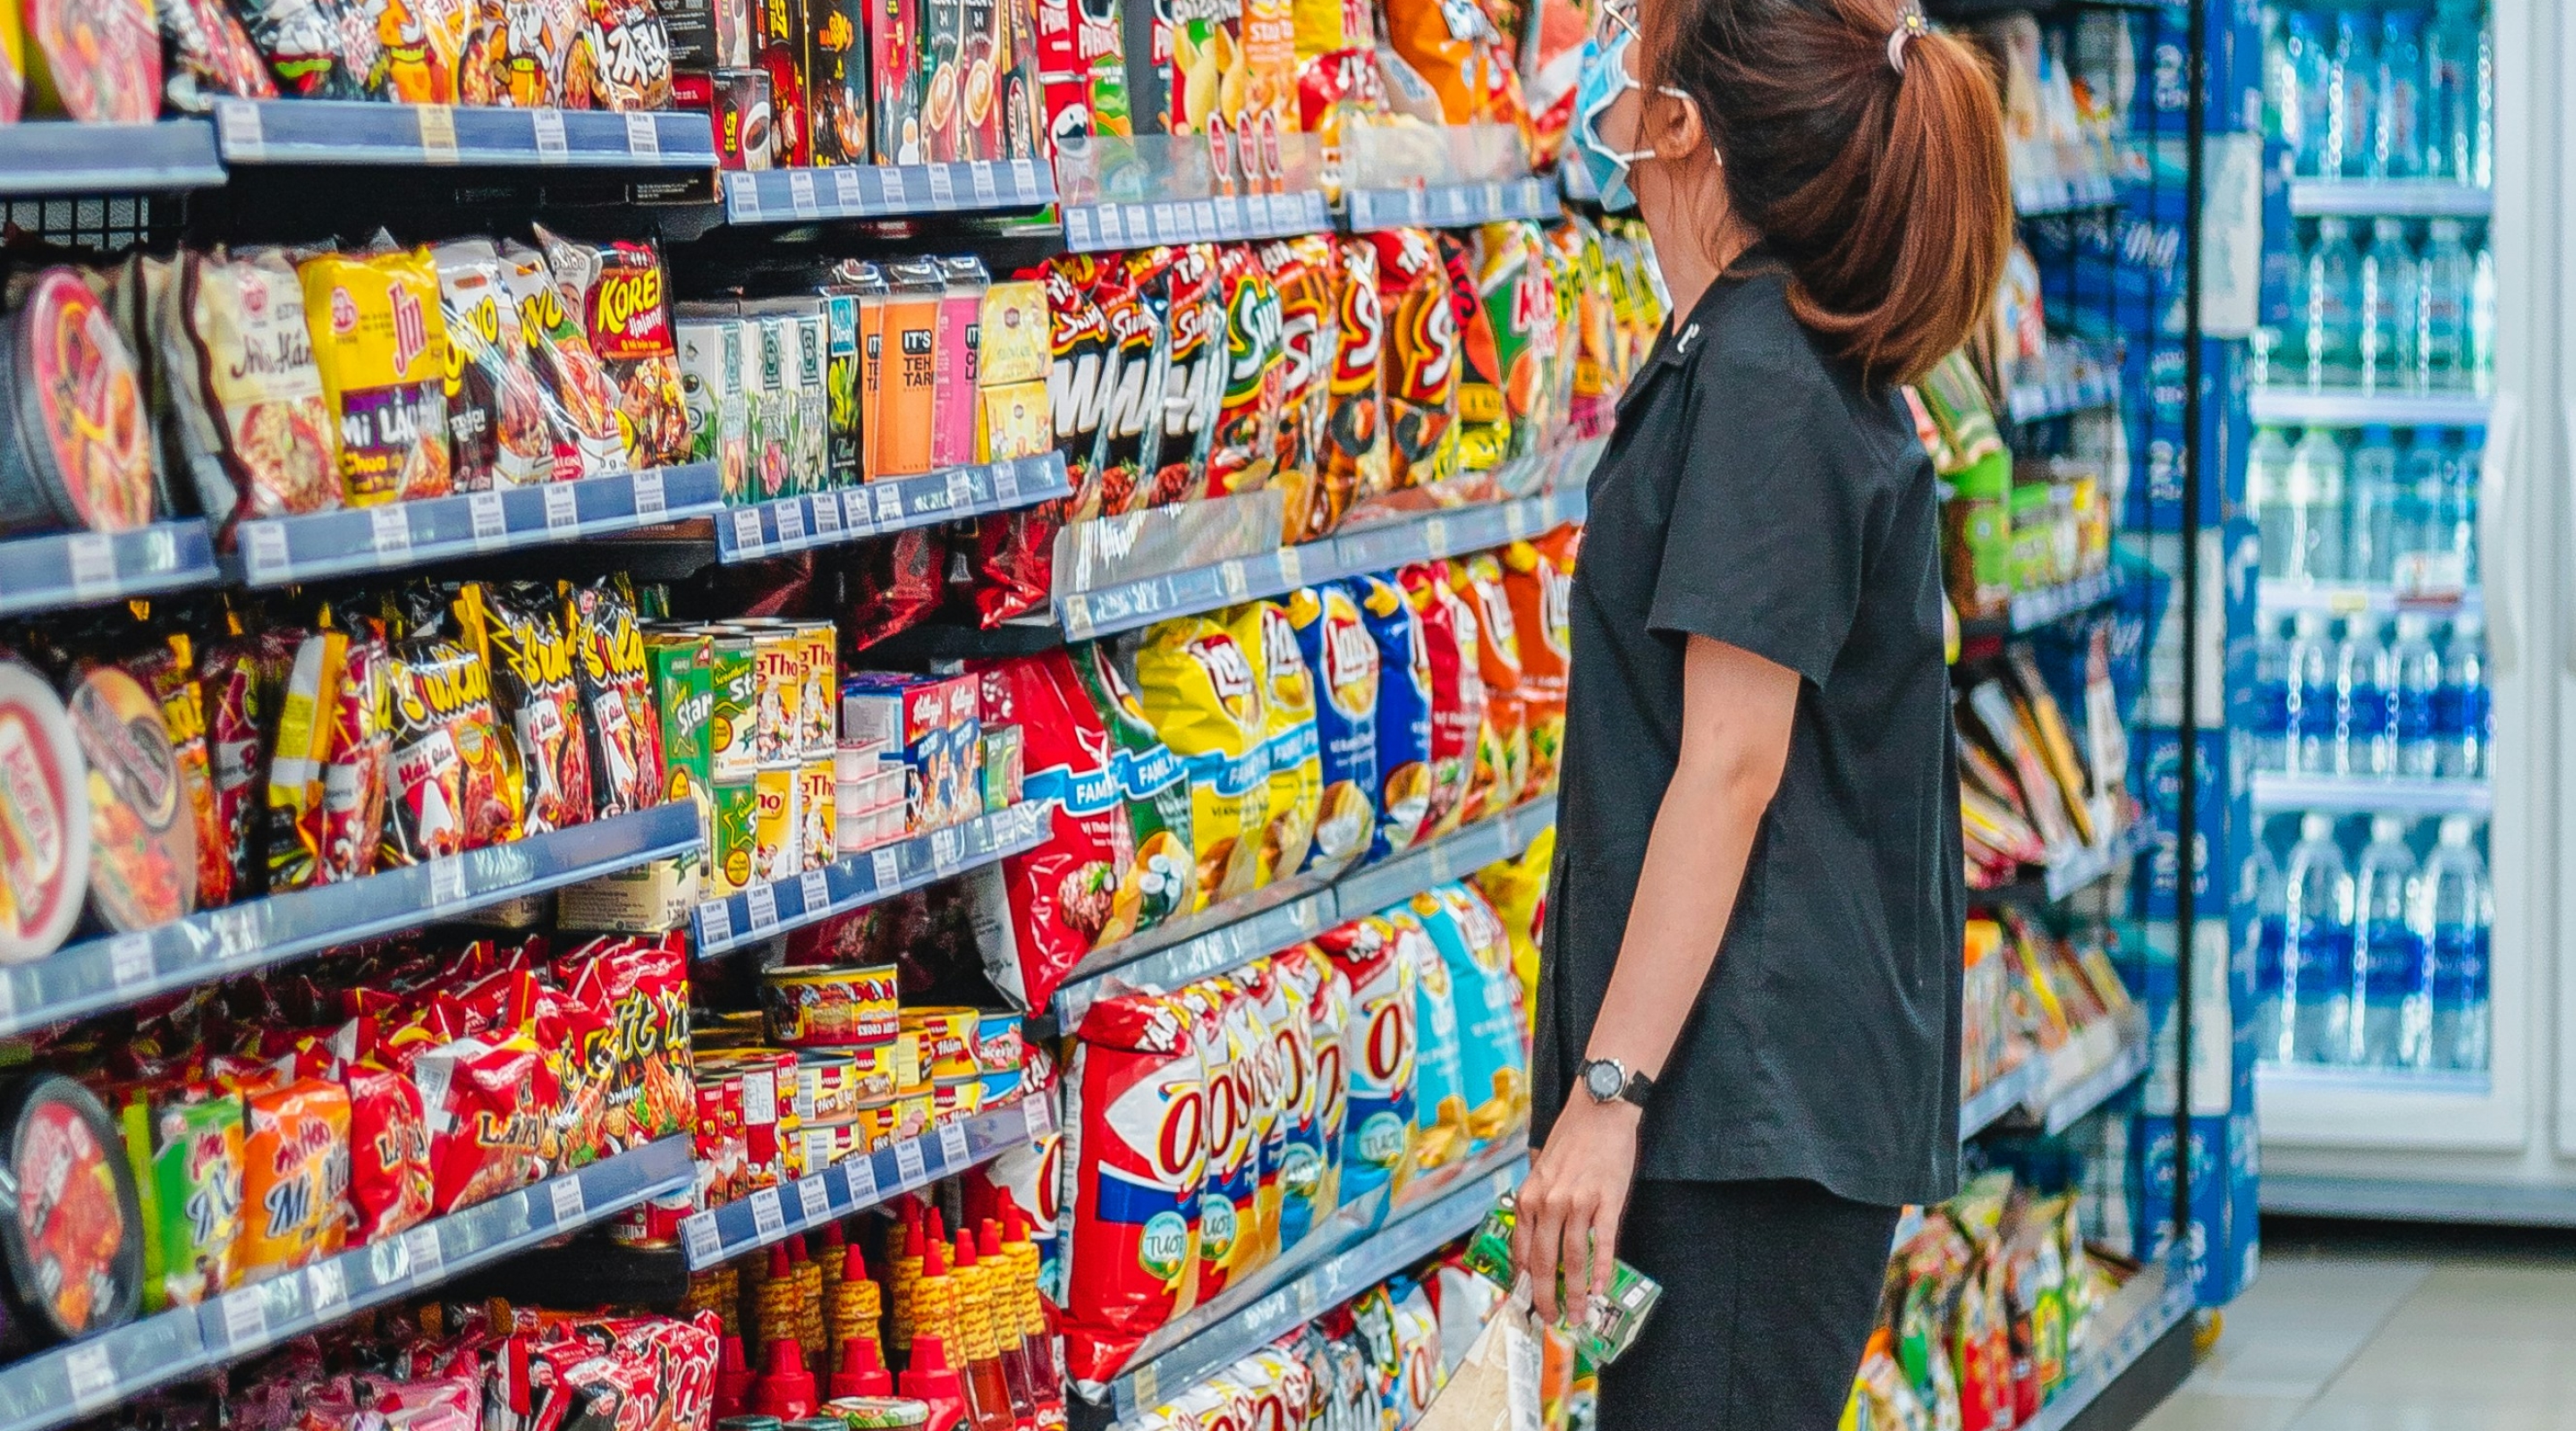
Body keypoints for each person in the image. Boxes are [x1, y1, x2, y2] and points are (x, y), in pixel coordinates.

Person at [1506, 0, 2010, 1425]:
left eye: (1634, 38)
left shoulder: (1767, 379)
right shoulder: (1747, 351)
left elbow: (1732, 765)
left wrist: (1607, 1098)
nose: (1606, 56)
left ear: (1684, 127)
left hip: (1745, 1108)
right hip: (1736, 1092)